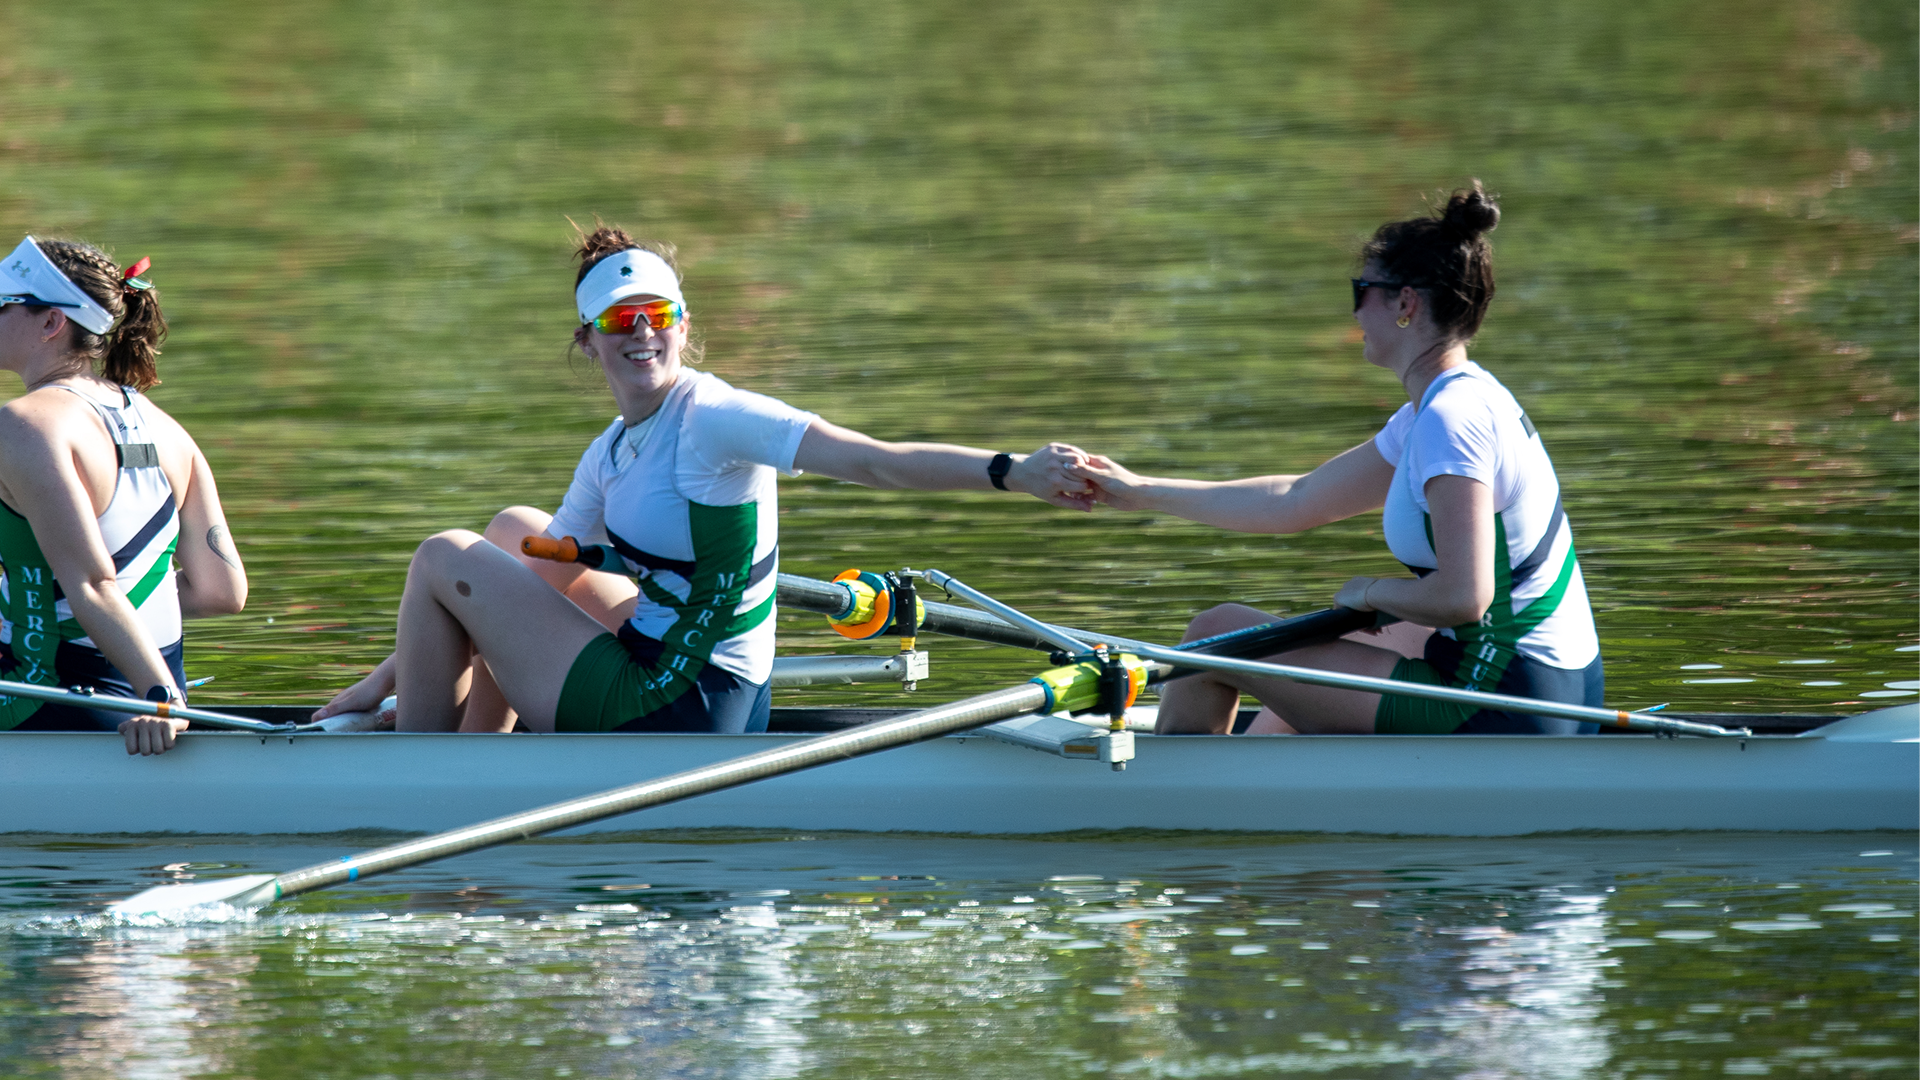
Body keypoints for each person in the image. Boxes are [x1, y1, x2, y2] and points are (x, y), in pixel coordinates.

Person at [314, 225, 1094, 734]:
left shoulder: (715, 416)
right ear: (589, 344)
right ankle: (445, 736)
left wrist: (1013, 472)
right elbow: (527, 577)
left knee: (439, 557)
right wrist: (380, 677)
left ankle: (416, 761)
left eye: (657, 313)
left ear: (684, 323)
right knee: (519, 535)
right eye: (621, 321)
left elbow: (871, 458)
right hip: (695, 682)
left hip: (677, 703)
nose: (643, 331)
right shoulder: (613, 451)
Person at [1069, 183, 1603, 735]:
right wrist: (1137, 491)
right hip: (1551, 688)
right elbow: (1296, 500)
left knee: (1218, 636)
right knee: (1318, 649)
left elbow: (1463, 597)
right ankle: (1262, 786)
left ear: (1404, 302)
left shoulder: (1451, 421)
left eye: (1360, 290)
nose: (1353, 312)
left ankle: (1168, 808)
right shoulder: (1452, 404)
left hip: (1504, 698)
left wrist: (1370, 592)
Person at [0, 236, 248, 755]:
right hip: (136, 701)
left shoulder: (22, 427)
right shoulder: (168, 432)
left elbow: (93, 583)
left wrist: (162, 700)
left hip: (47, 702)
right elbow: (221, 590)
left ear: (51, 323)